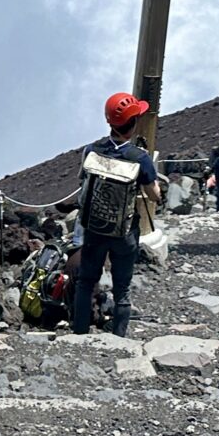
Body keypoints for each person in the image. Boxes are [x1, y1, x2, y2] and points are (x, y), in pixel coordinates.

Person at [70, 91, 162, 337]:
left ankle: (79, 332)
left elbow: (83, 181)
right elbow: (155, 195)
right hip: (124, 232)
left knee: (86, 282)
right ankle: (119, 338)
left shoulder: (92, 150)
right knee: (122, 289)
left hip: (94, 228)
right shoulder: (139, 158)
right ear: (133, 124)